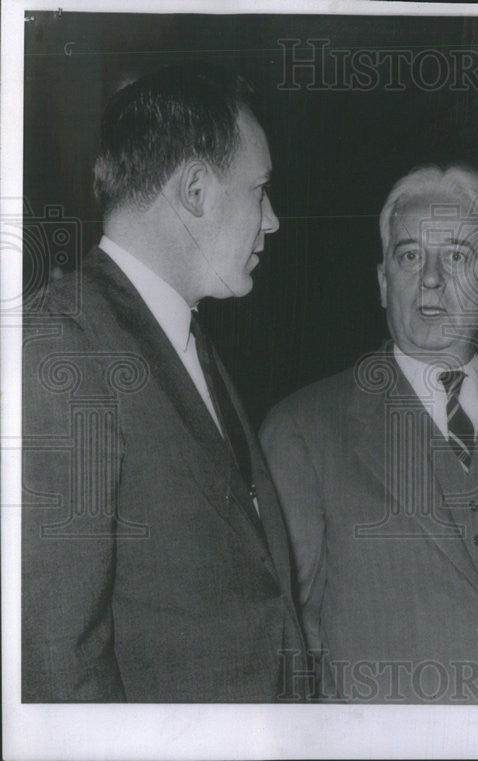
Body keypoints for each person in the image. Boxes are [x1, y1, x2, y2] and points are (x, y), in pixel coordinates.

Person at [261, 164, 478, 704]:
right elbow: (291, 648)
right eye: (410, 255)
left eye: (458, 257)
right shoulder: (303, 431)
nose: (431, 279)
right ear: (382, 282)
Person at [21, 62, 305, 701]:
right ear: (197, 192)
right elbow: (56, 656)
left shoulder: (186, 337)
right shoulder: (63, 342)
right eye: (260, 190)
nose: (272, 220)